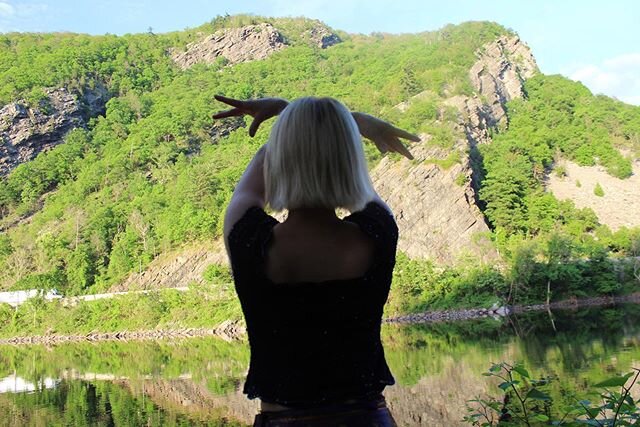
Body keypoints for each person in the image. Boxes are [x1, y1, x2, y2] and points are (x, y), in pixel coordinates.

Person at [213, 94, 419, 427]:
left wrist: (285, 114)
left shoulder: (247, 239)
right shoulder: (377, 235)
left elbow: (249, 190)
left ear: (280, 157)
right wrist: (353, 124)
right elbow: (363, 189)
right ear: (350, 160)